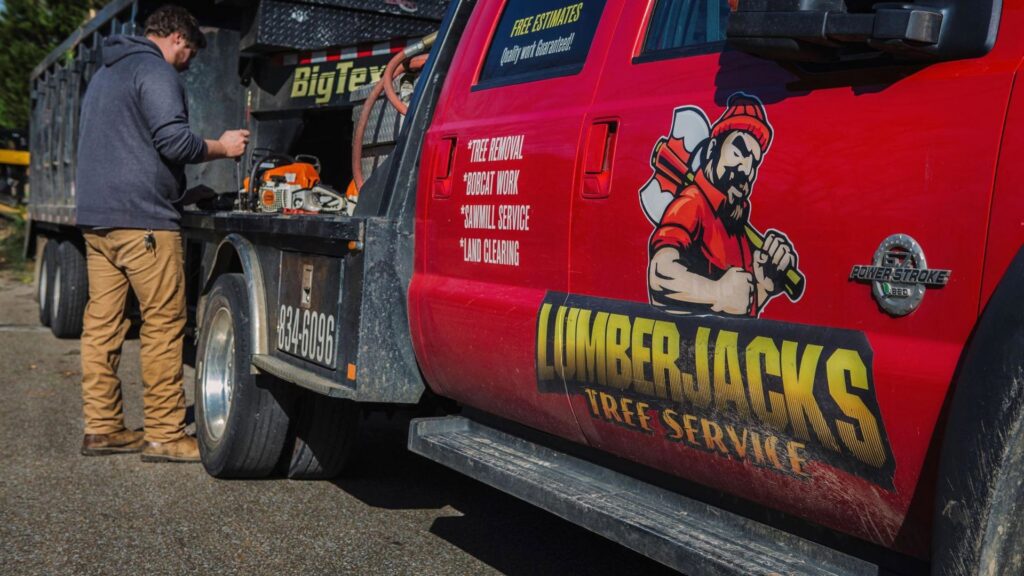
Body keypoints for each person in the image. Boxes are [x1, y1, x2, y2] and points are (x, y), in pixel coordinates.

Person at [75, 5, 248, 462]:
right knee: (164, 325)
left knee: (103, 325)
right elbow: (175, 142)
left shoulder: (105, 74)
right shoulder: (154, 72)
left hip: (99, 221)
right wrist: (223, 147)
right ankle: (165, 433)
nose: (188, 61)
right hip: (145, 224)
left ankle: (103, 426)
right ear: (175, 37)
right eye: (189, 51)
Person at [647, 94, 797, 317]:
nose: (745, 169)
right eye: (738, 152)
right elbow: (660, 274)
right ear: (712, 150)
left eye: (753, 163)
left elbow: (740, 310)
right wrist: (716, 292)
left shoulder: (736, 227)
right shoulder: (693, 202)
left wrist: (765, 286)